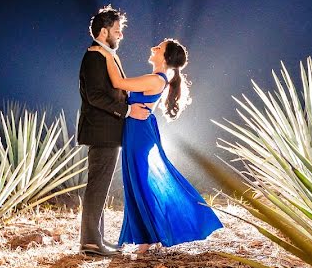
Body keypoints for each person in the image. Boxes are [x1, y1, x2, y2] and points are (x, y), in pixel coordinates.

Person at [88, 38, 222, 254]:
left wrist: (107, 54)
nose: (153, 48)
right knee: (137, 181)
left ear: (165, 57)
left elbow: (118, 83)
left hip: (139, 132)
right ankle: (147, 237)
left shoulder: (155, 79)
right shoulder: (156, 79)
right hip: (136, 130)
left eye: (158, 48)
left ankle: (150, 236)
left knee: (140, 181)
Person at [76, 5, 151, 257]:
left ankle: (96, 239)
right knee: (98, 185)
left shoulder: (104, 55)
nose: (120, 35)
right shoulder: (94, 56)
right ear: (104, 30)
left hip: (108, 131)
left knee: (101, 184)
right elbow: (95, 96)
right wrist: (128, 112)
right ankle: (90, 242)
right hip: (101, 131)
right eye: (117, 31)